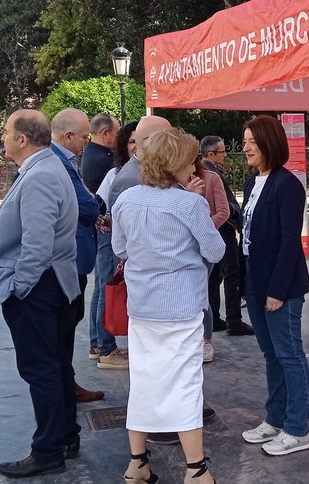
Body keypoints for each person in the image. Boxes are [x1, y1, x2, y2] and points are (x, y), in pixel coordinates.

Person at [113, 130, 225, 484]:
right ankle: (196, 469)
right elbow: (215, 251)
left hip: (142, 305)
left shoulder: (127, 199)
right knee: (185, 384)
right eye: (191, 159)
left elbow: (120, 247)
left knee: (144, 380)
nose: (195, 164)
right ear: (177, 163)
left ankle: (137, 464)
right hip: (180, 307)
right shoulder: (189, 204)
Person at [0, 109, 81, 477]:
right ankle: (66, 437)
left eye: (6, 132)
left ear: (23, 139)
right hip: (51, 283)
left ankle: (48, 450)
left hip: (39, 287)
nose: (2, 138)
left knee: (42, 370)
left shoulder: (40, 174)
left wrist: (18, 288)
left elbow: (37, 245)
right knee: (55, 367)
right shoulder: (46, 168)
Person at [238, 115, 309, 456]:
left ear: (269, 142)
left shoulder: (288, 184)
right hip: (255, 278)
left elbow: (288, 241)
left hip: (280, 285)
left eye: (252, 141)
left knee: (290, 354)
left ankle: (297, 428)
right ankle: (275, 418)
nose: (246, 147)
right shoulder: (253, 182)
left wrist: (277, 291)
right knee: (271, 353)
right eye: (245, 141)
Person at [50, 108, 107, 405]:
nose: (87, 141)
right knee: (64, 327)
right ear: (68, 135)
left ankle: (66, 383)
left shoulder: (66, 160)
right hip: (67, 259)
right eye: (84, 135)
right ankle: (64, 388)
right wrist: (96, 201)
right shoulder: (58, 162)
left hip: (73, 256)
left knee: (69, 324)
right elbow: (86, 204)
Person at [90, 121, 137, 370]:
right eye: (131, 141)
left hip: (116, 238)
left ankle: (98, 344)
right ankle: (106, 348)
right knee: (107, 289)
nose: (136, 146)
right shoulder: (116, 174)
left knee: (102, 289)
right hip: (111, 238)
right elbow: (101, 207)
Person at [201, 135, 254, 336]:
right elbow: (223, 208)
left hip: (213, 229)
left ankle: (214, 316)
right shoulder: (212, 174)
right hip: (222, 228)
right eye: (222, 151)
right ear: (211, 154)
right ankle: (234, 319)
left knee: (214, 275)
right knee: (231, 273)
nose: (225, 155)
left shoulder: (204, 172)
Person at [194, 156, 231, 362]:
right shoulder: (171, 179)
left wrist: (203, 229)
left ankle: (206, 339)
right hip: (183, 246)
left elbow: (223, 211)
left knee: (203, 292)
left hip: (204, 245)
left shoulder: (211, 178)